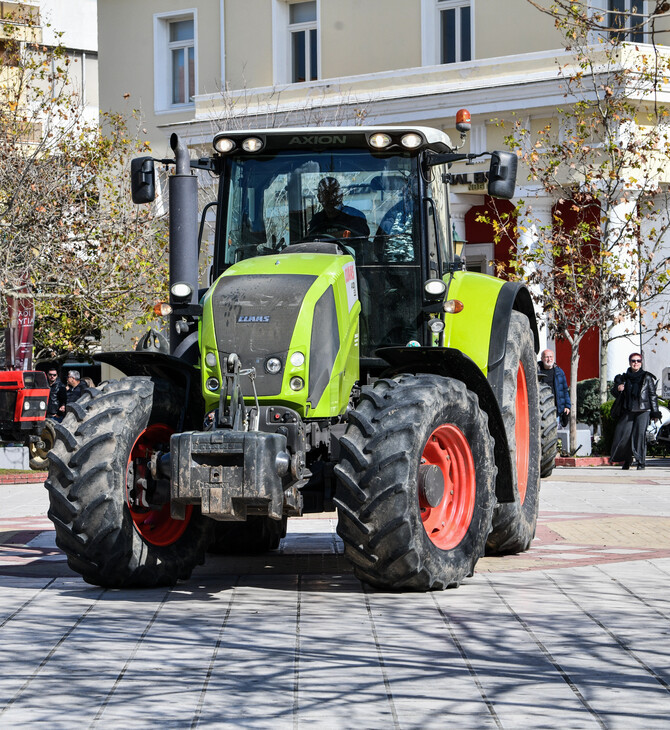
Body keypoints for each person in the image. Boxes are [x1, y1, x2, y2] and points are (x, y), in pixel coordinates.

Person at [610, 353, 661, 470]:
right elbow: (614, 392)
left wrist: (655, 412)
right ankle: (627, 460)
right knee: (625, 436)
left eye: (638, 361)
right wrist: (618, 388)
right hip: (628, 410)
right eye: (633, 361)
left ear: (641, 363)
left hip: (643, 410)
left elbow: (652, 395)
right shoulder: (624, 378)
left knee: (639, 436)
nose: (636, 363)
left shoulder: (646, 377)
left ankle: (640, 462)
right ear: (629, 362)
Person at [537, 349, 571, 427]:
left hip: (556, 408)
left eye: (551, 357)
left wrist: (567, 406)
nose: (549, 359)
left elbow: (565, 390)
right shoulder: (536, 371)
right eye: (546, 357)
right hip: (541, 408)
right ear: (542, 358)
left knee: (553, 431)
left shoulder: (559, 372)